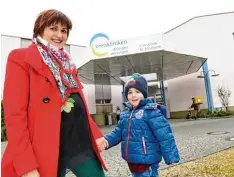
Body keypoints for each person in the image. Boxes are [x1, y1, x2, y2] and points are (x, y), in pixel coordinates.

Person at [1, 9, 107, 177]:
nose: (59, 35)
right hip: (44, 147)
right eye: (53, 28)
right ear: (40, 29)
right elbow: (15, 116)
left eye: (64, 31)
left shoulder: (67, 65)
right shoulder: (20, 58)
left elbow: (78, 105)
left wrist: (95, 134)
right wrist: (26, 165)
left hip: (78, 143)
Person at [97, 73, 180, 177]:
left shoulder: (151, 112)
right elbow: (118, 133)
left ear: (144, 94)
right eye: (130, 92)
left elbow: (165, 135)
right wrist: (106, 141)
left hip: (147, 162)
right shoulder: (125, 114)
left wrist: (171, 156)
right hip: (132, 161)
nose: (133, 95)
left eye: (137, 91)